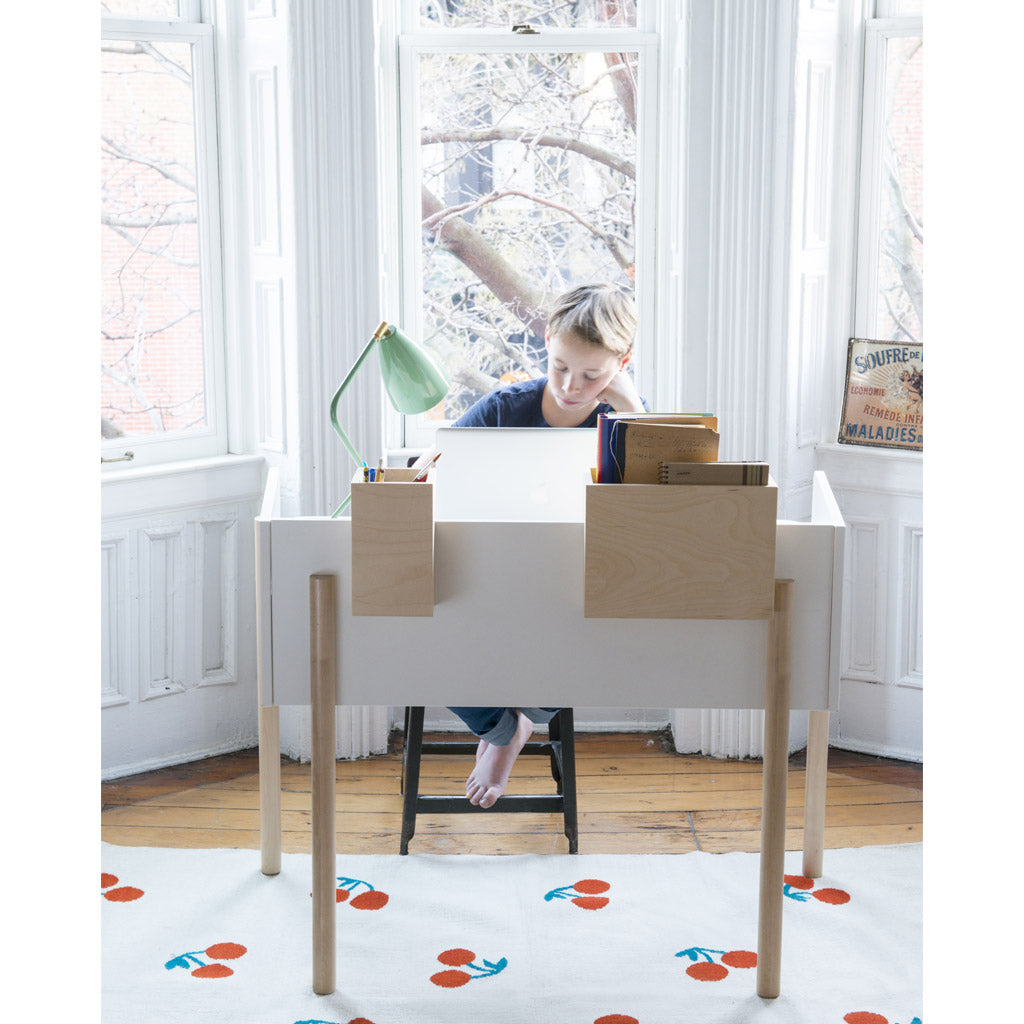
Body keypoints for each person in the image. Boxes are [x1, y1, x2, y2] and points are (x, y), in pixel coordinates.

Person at [446, 283, 648, 809]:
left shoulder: (630, 420)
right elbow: (434, 473)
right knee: (413, 622)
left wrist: (631, 410)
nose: (570, 386)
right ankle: (502, 729)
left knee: (605, 626)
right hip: (487, 578)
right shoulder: (503, 409)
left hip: (577, 587)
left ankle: (522, 720)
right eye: (559, 366)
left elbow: (652, 519)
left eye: (593, 375)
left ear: (622, 364)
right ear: (546, 344)